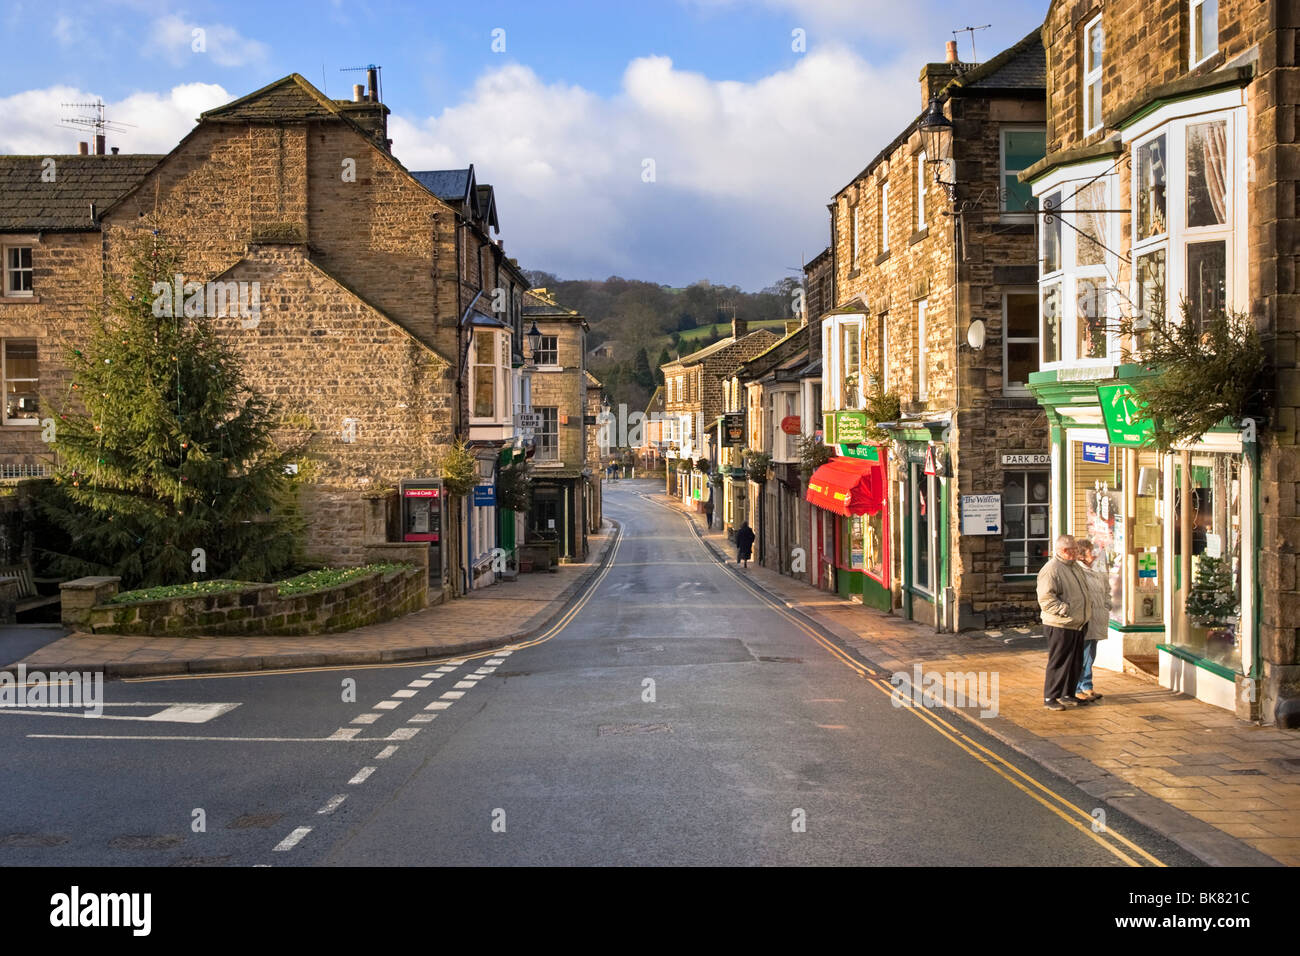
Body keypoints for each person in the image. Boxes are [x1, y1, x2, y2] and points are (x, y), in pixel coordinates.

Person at [1036, 533, 1093, 711]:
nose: (1077, 552)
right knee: (1059, 661)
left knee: (1075, 661)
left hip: (1077, 623)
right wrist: (1064, 609)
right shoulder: (1051, 569)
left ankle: (1068, 694)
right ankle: (1050, 697)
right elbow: (1046, 599)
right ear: (1063, 550)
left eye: (1076, 549)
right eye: (1074, 550)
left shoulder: (1075, 567)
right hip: (1060, 624)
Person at [1074, 538, 1111, 702]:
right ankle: (1076, 687)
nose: (1094, 553)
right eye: (1090, 551)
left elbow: (1106, 589)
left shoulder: (1098, 569)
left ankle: (1087, 686)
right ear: (1082, 555)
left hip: (1097, 617)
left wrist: (1107, 604)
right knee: (1082, 653)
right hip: (1085, 618)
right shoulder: (1077, 571)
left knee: (1090, 652)